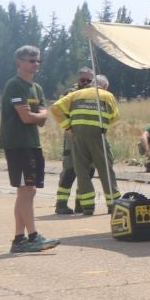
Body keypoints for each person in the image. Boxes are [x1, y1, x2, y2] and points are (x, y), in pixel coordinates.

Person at [0, 45, 58, 253]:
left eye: (37, 60)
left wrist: (39, 116)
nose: (35, 64)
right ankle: (33, 237)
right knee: (28, 190)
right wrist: (39, 115)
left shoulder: (37, 88)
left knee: (25, 192)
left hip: (32, 143)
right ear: (19, 62)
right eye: (31, 60)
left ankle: (19, 240)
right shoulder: (14, 85)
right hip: (18, 144)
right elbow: (26, 118)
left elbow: (42, 119)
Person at [48, 73, 120, 216]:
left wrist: (69, 127)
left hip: (77, 137)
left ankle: (87, 207)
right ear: (104, 86)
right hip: (97, 136)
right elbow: (115, 117)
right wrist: (102, 122)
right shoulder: (107, 95)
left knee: (81, 172)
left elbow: (55, 107)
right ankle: (113, 205)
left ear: (92, 82)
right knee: (105, 169)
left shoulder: (76, 94)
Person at [53, 66, 95, 214]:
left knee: (88, 171)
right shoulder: (69, 94)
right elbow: (58, 110)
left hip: (90, 138)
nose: (85, 83)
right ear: (78, 80)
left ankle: (80, 203)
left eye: (89, 80)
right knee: (70, 170)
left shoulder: (95, 95)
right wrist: (69, 129)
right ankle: (61, 204)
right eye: (83, 80)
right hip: (72, 137)